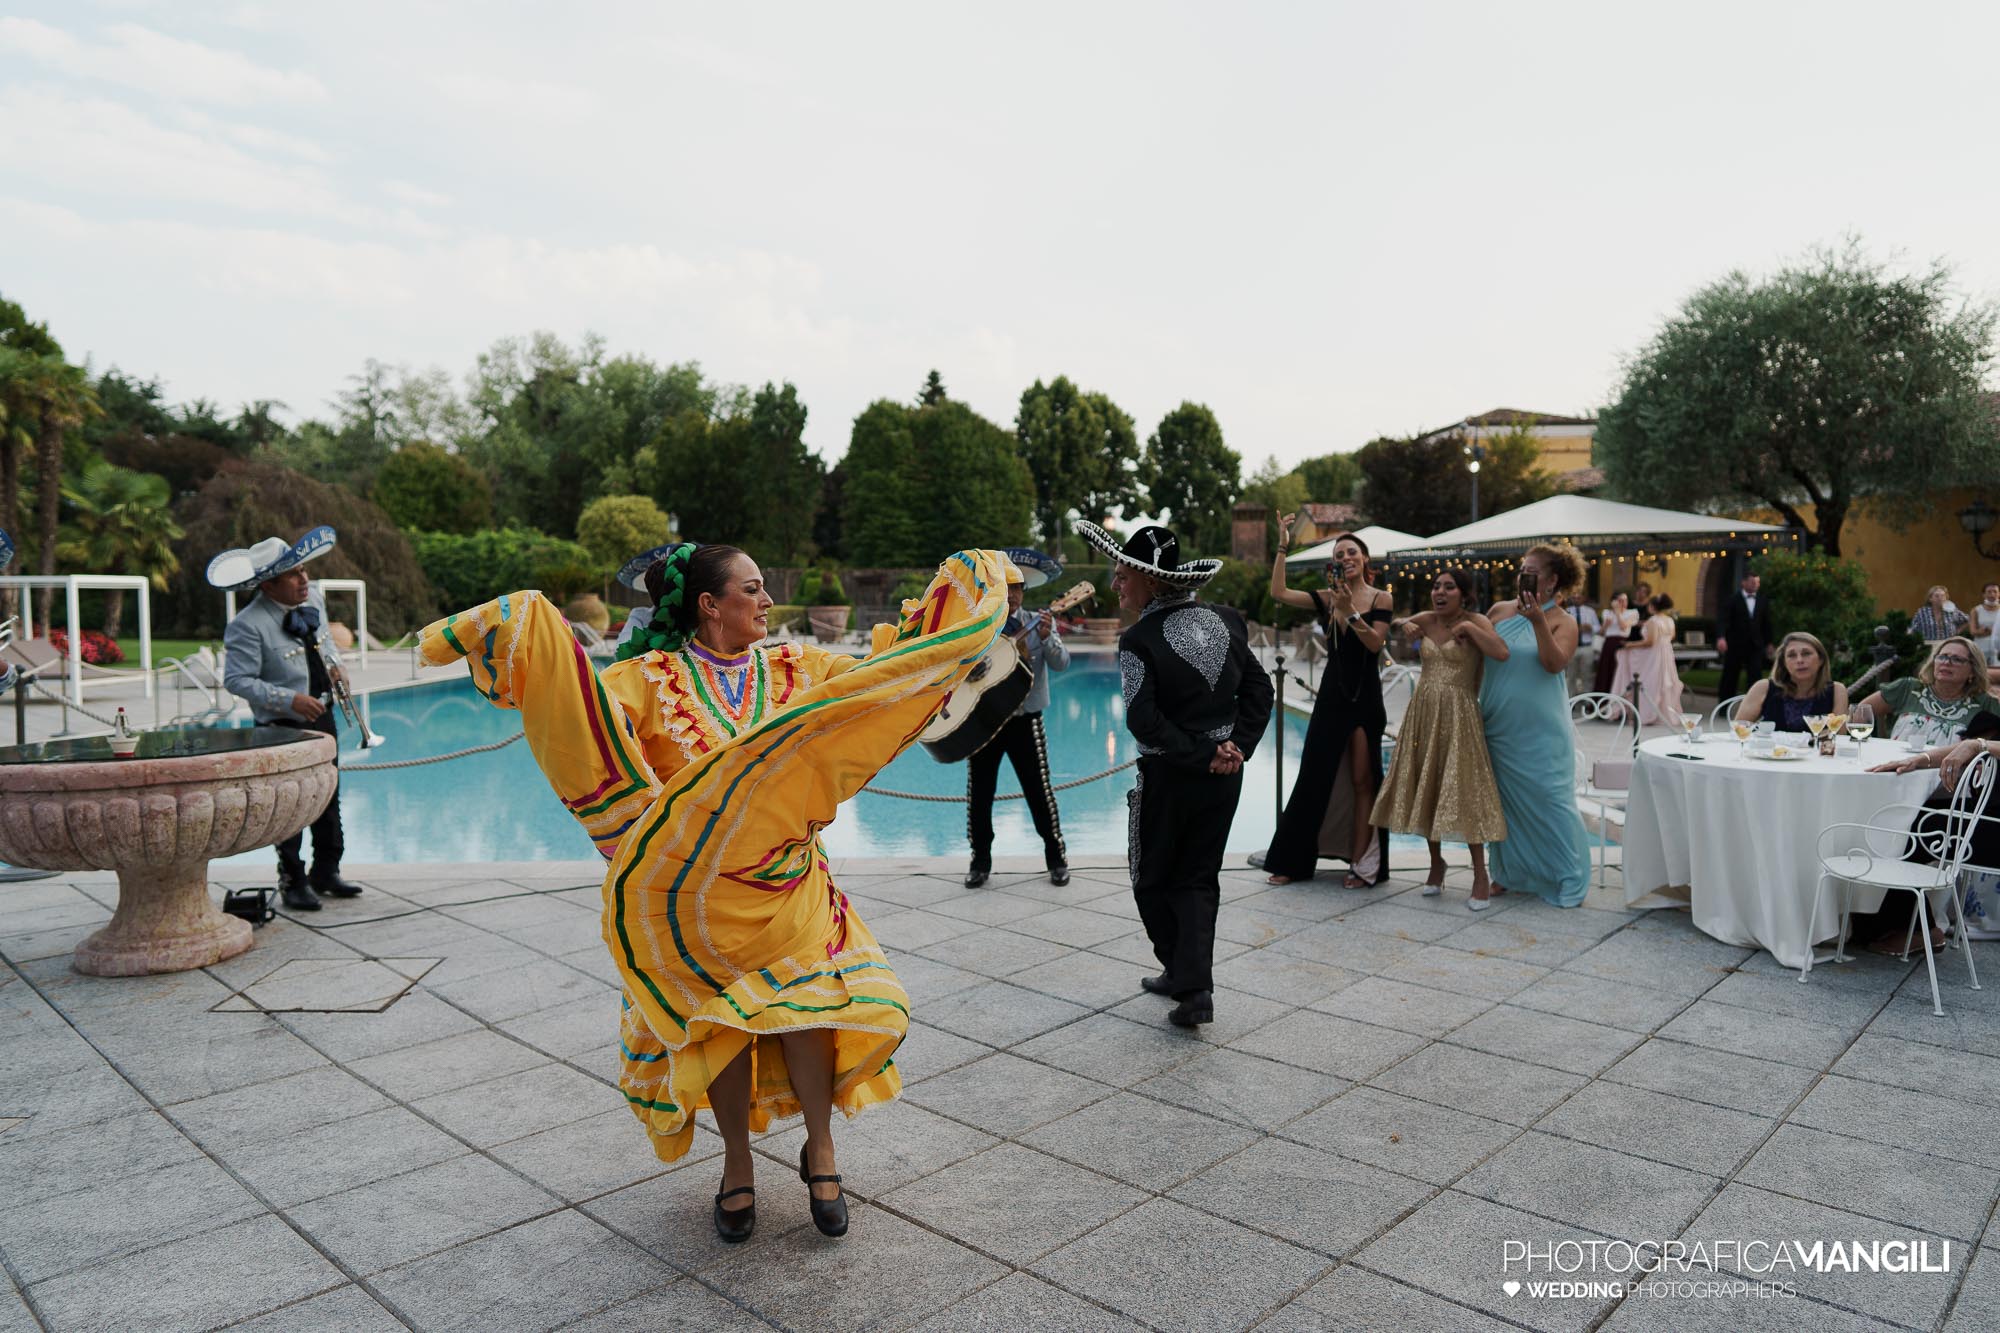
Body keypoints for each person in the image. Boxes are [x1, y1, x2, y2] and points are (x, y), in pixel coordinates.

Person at [419, 543, 1009, 1243]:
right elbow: (587, 727)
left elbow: (879, 684)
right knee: (721, 1023)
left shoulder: (798, 667)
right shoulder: (648, 678)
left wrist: (956, 628)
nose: (767, 602)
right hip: (697, 903)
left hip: (789, 883)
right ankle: (737, 1164)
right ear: (710, 603)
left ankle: (820, 1149)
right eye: (753, 589)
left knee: (810, 1010)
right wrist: (532, 635)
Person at [1079, 521, 1270, 1028]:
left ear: (1152, 581)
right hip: (1225, 775)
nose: (1116, 584)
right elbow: (1260, 692)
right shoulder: (1228, 620)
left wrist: (1205, 754)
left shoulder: (1137, 638)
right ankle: (1188, 981)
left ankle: (1187, 979)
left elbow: (1144, 720)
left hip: (1170, 775)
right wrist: (1236, 749)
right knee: (1199, 878)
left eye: (1123, 576)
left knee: (1150, 876)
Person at [213, 527, 361, 912]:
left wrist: (338, 668)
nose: (304, 579)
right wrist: (289, 700)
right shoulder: (246, 624)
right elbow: (236, 680)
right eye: (294, 575)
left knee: (329, 796)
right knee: (291, 806)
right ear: (269, 585)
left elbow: (326, 643)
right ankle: (292, 879)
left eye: (303, 571)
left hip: (324, 716)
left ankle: (327, 871)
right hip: (282, 728)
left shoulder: (313, 599)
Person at [1258, 520, 1391, 887]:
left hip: (1365, 697)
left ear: (1364, 559)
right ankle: (1292, 861)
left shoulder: (1381, 599)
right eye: (1338, 554)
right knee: (1314, 776)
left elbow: (1375, 644)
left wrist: (1349, 611)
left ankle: (1363, 867)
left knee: (1364, 779)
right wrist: (1283, 546)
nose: (1346, 557)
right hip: (1332, 695)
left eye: (1351, 552)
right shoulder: (1327, 597)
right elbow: (1279, 592)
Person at [1375, 569, 1510, 906]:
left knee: (1463, 790)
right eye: (1436, 586)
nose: (1440, 591)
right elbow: (1396, 623)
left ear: (1464, 594)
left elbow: (1501, 652)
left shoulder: (1477, 620)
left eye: (1449, 587)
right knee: (1428, 785)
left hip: (1460, 713)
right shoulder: (1428, 618)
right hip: (1423, 712)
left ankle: (1480, 873)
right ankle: (1436, 864)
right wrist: (1404, 624)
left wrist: (1467, 629)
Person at [1480, 543, 1593, 908]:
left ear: (1551, 580)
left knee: (1551, 801)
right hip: (1498, 722)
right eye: (1520, 570)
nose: (1521, 576)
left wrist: (1538, 622)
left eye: (1530, 571)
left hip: (1541, 728)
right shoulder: (1498, 610)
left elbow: (1554, 664)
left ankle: (1569, 877)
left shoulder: (1563, 621)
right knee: (1505, 803)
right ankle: (1508, 874)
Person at [1852, 711, 2000, 954]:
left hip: (1993, 830)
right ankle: (1873, 920)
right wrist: (1921, 759)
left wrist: (1979, 744)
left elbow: (1977, 746)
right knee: (1905, 817)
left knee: (1905, 828)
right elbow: (1969, 747)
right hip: (1983, 815)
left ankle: (1919, 931)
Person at [964, 560, 1070, 887]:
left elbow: (1062, 663)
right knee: (979, 795)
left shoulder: (1039, 624)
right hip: (984, 723)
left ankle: (1057, 858)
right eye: (1006, 588)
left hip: (1026, 720)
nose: (1011, 596)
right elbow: (960, 670)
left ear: (1024, 592)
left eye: (1017, 589)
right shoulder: (978, 628)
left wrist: (1048, 637)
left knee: (1039, 792)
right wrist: (974, 670)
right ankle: (980, 862)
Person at [1852, 637, 2000, 751]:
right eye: (1942, 656)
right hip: (1893, 773)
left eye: (1957, 659)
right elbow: (1857, 715)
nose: (1946, 662)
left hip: (1950, 785)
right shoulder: (1908, 688)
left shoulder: (1985, 704)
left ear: (1972, 671)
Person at [1733, 632, 1849, 730]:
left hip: (1819, 756)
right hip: (1771, 755)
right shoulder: (1763, 687)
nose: (1799, 660)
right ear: (1784, 663)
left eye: (1806, 653)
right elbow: (1738, 731)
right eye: (1792, 655)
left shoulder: (1837, 691)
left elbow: (1839, 737)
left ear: (1821, 659)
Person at [1612, 594, 1685, 725]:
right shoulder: (1669, 620)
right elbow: (1671, 636)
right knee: (1663, 680)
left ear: (1652, 607)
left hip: (1654, 655)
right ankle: (1663, 712)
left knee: (1649, 681)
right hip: (1666, 652)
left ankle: (1647, 713)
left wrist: (1630, 645)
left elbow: (1650, 642)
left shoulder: (1653, 621)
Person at [1715, 572, 1775, 702]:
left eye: (1757, 583)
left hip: (1755, 645)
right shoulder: (1732, 600)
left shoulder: (1762, 600)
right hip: (1735, 645)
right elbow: (1723, 620)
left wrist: (1769, 643)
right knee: (1730, 676)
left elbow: (1766, 623)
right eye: (1753, 582)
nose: (1755, 585)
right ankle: (1724, 706)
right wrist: (1721, 637)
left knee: (1755, 676)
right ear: (1744, 583)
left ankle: (1754, 706)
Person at [1591, 589, 1638, 695]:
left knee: (1619, 671)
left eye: (1625, 600)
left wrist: (1617, 612)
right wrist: (1605, 625)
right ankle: (1603, 698)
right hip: (1608, 644)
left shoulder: (1632, 613)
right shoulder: (1606, 613)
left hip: (1622, 643)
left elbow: (1623, 626)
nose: (1624, 603)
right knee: (1605, 671)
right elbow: (1601, 633)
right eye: (1620, 600)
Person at [1565, 593, 1601, 696]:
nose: (1576, 599)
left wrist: (1590, 628)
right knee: (1571, 675)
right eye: (1574, 597)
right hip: (1572, 647)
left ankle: (1587, 699)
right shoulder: (1567, 611)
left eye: (1578, 597)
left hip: (1586, 646)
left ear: (1583, 598)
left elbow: (1598, 627)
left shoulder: (1590, 611)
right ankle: (1570, 699)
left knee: (1587, 674)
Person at [1973, 583, 2000, 659]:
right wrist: (1996, 632)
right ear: (1984, 594)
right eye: (1989, 592)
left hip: (1998, 651)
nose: (1992, 594)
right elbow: (1973, 631)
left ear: (1999, 594)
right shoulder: (1976, 610)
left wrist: (1988, 630)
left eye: (1995, 591)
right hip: (1981, 648)